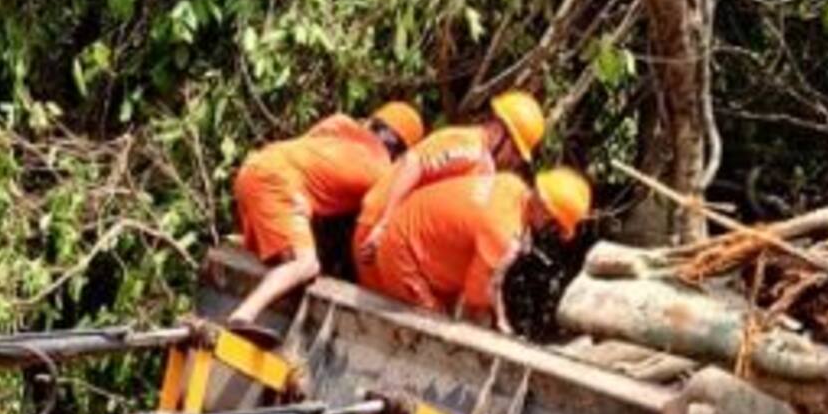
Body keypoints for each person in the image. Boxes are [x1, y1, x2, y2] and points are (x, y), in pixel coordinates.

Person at [227, 101, 425, 328]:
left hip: (256, 165)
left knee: (274, 255)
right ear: (400, 150)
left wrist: (305, 195)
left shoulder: (339, 123)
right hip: (278, 185)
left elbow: (309, 159)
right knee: (306, 264)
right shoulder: (379, 173)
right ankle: (243, 316)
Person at [363, 167, 591, 332]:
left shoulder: (511, 184)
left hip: (410, 229)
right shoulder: (502, 233)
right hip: (403, 254)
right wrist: (501, 325)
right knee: (437, 330)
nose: (550, 231)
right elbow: (477, 294)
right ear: (547, 212)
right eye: (555, 226)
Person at [354, 90, 547, 273]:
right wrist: (383, 225)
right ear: (499, 130)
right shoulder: (467, 145)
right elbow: (414, 164)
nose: (512, 161)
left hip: (399, 241)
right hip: (378, 232)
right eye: (514, 151)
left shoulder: (482, 164)